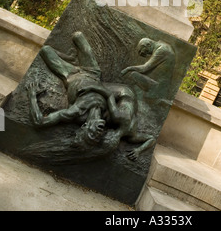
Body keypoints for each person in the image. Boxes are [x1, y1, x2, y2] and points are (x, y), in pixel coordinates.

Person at [26, 32, 155, 161]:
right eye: (97, 137)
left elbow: (39, 122)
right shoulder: (110, 117)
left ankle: (71, 60)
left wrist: (32, 96)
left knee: (46, 50)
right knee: (78, 36)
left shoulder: (75, 112)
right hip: (93, 73)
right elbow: (119, 103)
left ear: (85, 127)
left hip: (71, 76)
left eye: (92, 135)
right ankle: (72, 59)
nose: (98, 134)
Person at [121, 38, 175, 103]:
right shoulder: (162, 45)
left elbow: (144, 68)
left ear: (148, 45)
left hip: (160, 87)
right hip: (159, 84)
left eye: (142, 51)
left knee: (134, 74)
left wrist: (128, 69)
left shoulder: (162, 50)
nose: (143, 54)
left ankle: (134, 98)